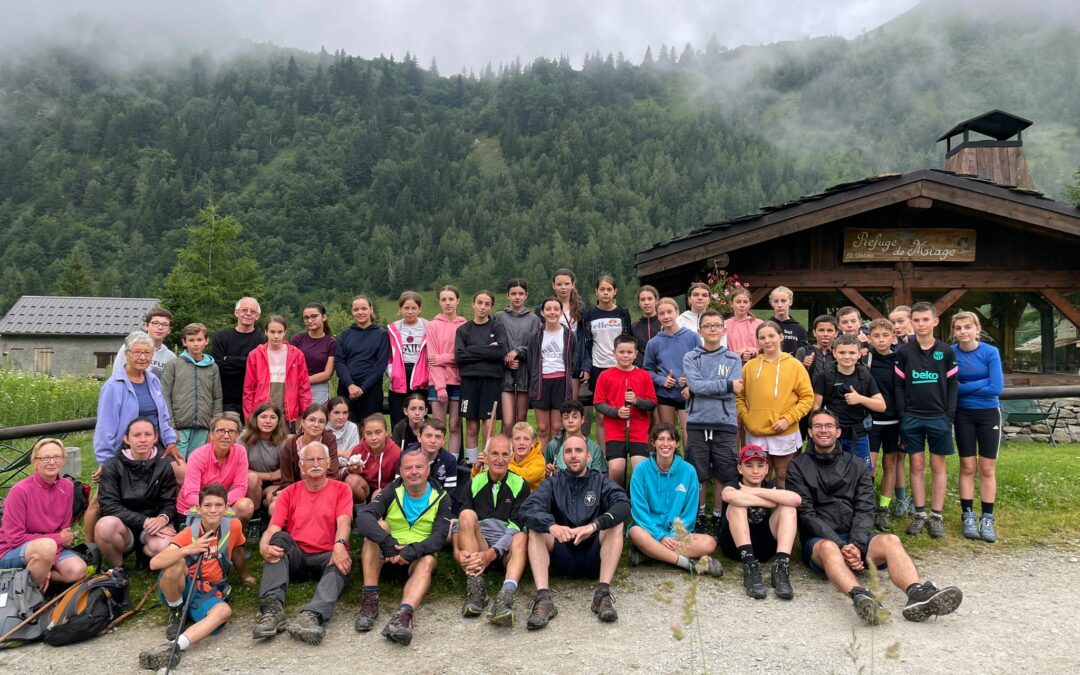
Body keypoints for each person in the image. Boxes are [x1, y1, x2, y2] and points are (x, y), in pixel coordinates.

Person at [787, 409, 963, 625]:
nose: (824, 430)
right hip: (821, 542)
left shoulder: (857, 465)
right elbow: (806, 515)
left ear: (839, 432)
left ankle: (917, 593)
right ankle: (861, 597)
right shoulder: (797, 467)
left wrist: (856, 544)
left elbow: (865, 507)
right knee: (828, 548)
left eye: (829, 426)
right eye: (818, 426)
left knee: (891, 540)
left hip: (857, 538)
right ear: (810, 432)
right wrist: (842, 545)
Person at [520, 435, 630, 630]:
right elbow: (527, 509)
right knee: (536, 530)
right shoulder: (553, 483)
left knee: (616, 524)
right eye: (568, 451)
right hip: (562, 554)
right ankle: (543, 599)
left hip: (593, 556)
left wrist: (594, 526)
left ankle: (602, 595)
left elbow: (623, 505)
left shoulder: (600, 481)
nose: (573, 456)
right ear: (562, 457)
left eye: (578, 451)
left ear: (588, 456)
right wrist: (551, 526)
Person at [252, 441, 353, 645]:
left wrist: (340, 544)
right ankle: (272, 609)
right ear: (301, 466)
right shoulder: (289, 492)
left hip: (326, 555)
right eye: (310, 460)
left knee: (344, 561)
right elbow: (273, 527)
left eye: (320, 459)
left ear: (328, 464)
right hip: (296, 555)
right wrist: (263, 545)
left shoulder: (342, 489)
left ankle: (312, 615)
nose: (315, 464)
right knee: (277, 539)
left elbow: (344, 521)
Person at [90, 331, 183, 544]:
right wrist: (105, 462)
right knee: (99, 500)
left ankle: (173, 526)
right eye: (137, 352)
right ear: (127, 354)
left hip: (155, 446)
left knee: (182, 474)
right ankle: (93, 546)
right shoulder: (114, 387)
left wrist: (169, 442)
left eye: (147, 353)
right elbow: (105, 427)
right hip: (124, 449)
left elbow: (163, 416)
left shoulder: (153, 381)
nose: (142, 357)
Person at [354, 447, 452, 645]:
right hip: (386, 553)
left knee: (428, 560)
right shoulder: (392, 490)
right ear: (401, 471)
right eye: (408, 468)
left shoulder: (441, 497)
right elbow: (364, 517)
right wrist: (386, 542)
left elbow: (439, 537)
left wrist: (413, 550)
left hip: (416, 557)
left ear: (427, 470)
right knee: (378, 527)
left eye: (419, 467)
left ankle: (403, 616)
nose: (413, 472)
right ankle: (369, 599)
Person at [138, 484, 241, 671]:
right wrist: (189, 550)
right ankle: (176, 611)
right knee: (174, 564)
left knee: (224, 612)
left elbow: (238, 552)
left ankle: (176, 646)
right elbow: (155, 563)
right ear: (199, 508)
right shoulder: (189, 533)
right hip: (181, 586)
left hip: (207, 591)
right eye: (208, 505)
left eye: (219, 505)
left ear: (227, 508)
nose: (213, 510)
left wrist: (246, 575)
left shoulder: (233, 526)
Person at [894, 302, 958, 539]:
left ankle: (936, 516)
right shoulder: (903, 352)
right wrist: (903, 414)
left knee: (938, 465)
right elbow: (898, 386)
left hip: (939, 417)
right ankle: (920, 514)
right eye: (916, 320)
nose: (920, 324)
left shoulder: (946, 351)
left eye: (924, 320)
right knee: (916, 465)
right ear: (912, 322)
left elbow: (953, 386)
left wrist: (949, 415)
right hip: (911, 417)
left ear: (935, 321)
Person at [627, 424, 722, 576]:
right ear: (653, 442)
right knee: (634, 532)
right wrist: (659, 536)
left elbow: (690, 514)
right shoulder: (641, 470)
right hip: (649, 532)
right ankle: (688, 564)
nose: (666, 444)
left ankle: (649, 553)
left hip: (677, 535)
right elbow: (639, 511)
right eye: (661, 439)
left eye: (670, 439)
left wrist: (671, 537)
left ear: (677, 443)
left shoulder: (689, 471)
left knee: (709, 543)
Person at [455, 435, 531, 625]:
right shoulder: (474, 482)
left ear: (511, 457)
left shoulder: (520, 484)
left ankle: (505, 597)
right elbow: (459, 524)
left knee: (521, 535)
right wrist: (457, 552)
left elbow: (515, 527)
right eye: (495, 454)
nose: (500, 459)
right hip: (480, 545)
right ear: (486, 457)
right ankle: (476, 588)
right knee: (466, 515)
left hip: (506, 548)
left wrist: (493, 552)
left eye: (505, 454)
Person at [177, 414, 255, 587]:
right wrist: (211, 506)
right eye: (220, 431)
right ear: (211, 435)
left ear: (237, 436)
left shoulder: (240, 452)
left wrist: (221, 506)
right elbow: (190, 493)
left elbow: (241, 487)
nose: (226, 435)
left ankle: (230, 544)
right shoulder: (198, 455)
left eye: (231, 431)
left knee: (246, 505)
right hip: (194, 506)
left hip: (221, 503)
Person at [683, 310, 743, 532]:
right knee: (698, 474)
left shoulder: (733, 358)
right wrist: (726, 385)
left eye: (717, 325)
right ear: (700, 331)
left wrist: (706, 387)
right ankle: (699, 515)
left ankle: (718, 516)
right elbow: (697, 386)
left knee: (724, 472)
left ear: (724, 330)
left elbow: (735, 390)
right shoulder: (691, 357)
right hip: (698, 421)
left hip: (725, 422)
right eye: (707, 326)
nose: (713, 329)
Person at [0, 438, 88, 590]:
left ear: (63, 460)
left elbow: (63, 530)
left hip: (51, 547)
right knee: (46, 547)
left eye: (56, 457)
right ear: (34, 462)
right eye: (45, 458)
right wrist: (55, 541)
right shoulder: (19, 491)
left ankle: (31, 575)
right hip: (10, 550)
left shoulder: (67, 486)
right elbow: (15, 539)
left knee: (78, 570)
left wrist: (48, 561)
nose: (51, 462)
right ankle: (32, 599)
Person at [737, 321, 814, 487]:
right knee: (757, 475)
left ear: (781, 337)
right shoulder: (749, 367)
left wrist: (788, 419)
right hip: (755, 431)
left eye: (771, 336)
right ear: (758, 341)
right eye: (762, 337)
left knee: (782, 473)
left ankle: (782, 510)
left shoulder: (794, 365)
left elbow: (807, 398)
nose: (767, 340)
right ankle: (758, 511)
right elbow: (740, 397)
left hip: (783, 430)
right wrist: (747, 417)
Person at [718, 445, 799, 600]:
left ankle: (781, 568)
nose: (755, 471)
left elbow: (795, 499)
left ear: (767, 469)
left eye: (760, 466)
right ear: (740, 469)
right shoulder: (734, 483)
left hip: (764, 547)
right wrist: (769, 502)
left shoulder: (770, 486)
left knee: (789, 509)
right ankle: (750, 568)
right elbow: (729, 496)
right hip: (734, 547)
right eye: (749, 466)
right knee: (737, 505)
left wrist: (753, 491)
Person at [95, 418, 178, 569]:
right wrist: (144, 521)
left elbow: (170, 502)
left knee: (164, 545)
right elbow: (108, 505)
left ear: (155, 438)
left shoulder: (165, 464)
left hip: (154, 525)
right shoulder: (112, 466)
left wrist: (162, 518)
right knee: (104, 526)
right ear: (126, 439)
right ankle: (118, 568)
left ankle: (146, 556)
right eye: (136, 435)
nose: (143, 440)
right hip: (122, 525)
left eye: (148, 434)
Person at [951, 311, 1004, 542]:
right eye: (958, 328)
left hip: (989, 413)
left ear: (977, 328)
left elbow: (996, 387)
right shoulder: (950, 353)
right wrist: (981, 382)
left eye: (967, 327)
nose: (963, 331)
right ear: (954, 331)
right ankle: (968, 515)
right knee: (967, 466)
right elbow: (950, 387)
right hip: (963, 414)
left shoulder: (990, 352)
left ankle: (988, 517)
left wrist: (967, 385)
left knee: (987, 468)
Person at [811, 334, 886, 472]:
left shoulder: (864, 374)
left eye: (852, 353)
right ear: (834, 353)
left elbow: (881, 406)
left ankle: (860, 493)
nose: (847, 356)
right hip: (832, 433)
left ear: (859, 354)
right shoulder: (825, 375)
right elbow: (816, 407)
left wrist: (860, 399)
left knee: (863, 470)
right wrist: (820, 428)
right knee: (829, 469)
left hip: (858, 432)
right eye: (842, 352)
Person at [594, 334, 657, 486]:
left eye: (629, 352)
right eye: (621, 352)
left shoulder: (644, 376)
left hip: (639, 431)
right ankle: (617, 496)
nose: (625, 356)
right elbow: (598, 403)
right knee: (616, 468)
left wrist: (637, 401)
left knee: (639, 467)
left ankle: (634, 497)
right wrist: (616, 412)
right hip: (615, 430)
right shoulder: (605, 375)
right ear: (614, 352)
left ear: (636, 354)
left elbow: (652, 403)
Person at [580, 275, 633, 449]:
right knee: (602, 415)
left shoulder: (622, 313)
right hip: (598, 369)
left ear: (615, 291)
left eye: (609, 289)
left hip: (621, 368)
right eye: (602, 289)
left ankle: (622, 450)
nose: (605, 292)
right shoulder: (589, 315)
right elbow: (587, 343)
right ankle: (604, 455)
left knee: (623, 411)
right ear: (596, 292)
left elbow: (629, 339)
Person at [456, 290, 507, 466]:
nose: (482, 307)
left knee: (489, 426)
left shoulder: (497, 327)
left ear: (491, 306)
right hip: (469, 381)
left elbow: (500, 352)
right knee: (471, 426)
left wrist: (472, 349)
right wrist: (487, 349)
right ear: (473, 304)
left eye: (487, 304)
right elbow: (460, 356)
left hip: (492, 380)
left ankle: (487, 465)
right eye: (479, 303)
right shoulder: (463, 329)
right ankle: (471, 466)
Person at [162, 322, 222, 458]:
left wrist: (214, 428)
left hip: (203, 427)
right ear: (184, 342)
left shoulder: (212, 368)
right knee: (179, 467)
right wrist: (171, 426)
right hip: (179, 427)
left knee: (198, 465)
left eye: (199, 340)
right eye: (191, 340)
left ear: (206, 341)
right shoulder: (174, 365)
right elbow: (165, 396)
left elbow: (217, 398)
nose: (195, 344)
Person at [644, 297, 700, 442]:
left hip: (687, 393)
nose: (666, 316)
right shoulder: (654, 343)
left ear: (677, 312)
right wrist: (662, 380)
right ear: (657, 316)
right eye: (662, 313)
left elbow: (702, 363)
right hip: (665, 395)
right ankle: (669, 463)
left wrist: (690, 378)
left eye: (669, 312)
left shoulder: (692, 337)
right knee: (666, 435)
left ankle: (689, 463)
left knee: (689, 433)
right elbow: (647, 369)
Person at [864, 318, 902, 530]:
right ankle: (867, 507)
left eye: (885, 335)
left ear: (893, 338)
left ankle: (883, 509)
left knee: (890, 465)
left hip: (895, 420)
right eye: (876, 336)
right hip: (871, 420)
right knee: (868, 466)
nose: (880, 340)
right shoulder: (865, 359)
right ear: (869, 338)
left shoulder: (900, 359)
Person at [243, 315, 313, 428]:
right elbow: (249, 390)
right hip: (262, 413)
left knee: (285, 444)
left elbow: (304, 388)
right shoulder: (255, 355)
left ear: (285, 332)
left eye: (280, 332)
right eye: (272, 332)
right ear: (266, 332)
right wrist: (249, 418)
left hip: (288, 414)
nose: (276, 336)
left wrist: (306, 415)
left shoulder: (297, 355)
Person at [527, 296, 578, 447]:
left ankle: (555, 466)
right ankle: (542, 466)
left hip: (561, 382)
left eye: (556, 309)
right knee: (542, 428)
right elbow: (531, 361)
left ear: (561, 312)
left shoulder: (569, 335)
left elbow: (573, 359)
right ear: (542, 312)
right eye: (548, 309)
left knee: (557, 428)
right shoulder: (535, 336)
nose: (552, 312)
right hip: (541, 383)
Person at [426, 285, 467, 458]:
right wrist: (441, 387)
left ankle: (454, 463)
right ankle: (438, 461)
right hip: (437, 383)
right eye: (444, 299)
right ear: (439, 302)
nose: (448, 303)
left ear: (458, 300)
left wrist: (443, 358)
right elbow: (432, 359)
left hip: (458, 381)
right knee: (438, 427)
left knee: (455, 425)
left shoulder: (465, 325)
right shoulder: (433, 325)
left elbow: (464, 356)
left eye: (451, 299)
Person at [335, 294, 390, 423]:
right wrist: (350, 385)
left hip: (371, 391)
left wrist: (363, 388)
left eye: (364, 309)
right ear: (352, 312)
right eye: (356, 309)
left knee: (370, 429)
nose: (360, 312)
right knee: (346, 428)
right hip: (347, 389)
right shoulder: (346, 334)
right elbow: (339, 361)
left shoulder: (381, 334)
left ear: (371, 309)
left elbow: (380, 364)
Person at [536, 268, 587, 402]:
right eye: (559, 284)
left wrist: (585, 365)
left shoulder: (581, 308)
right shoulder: (544, 308)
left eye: (566, 284)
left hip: (573, 360)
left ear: (573, 284)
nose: (563, 287)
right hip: (552, 360)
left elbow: (586, 339)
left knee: (570, 404)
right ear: (553, 286)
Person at [211, 297, 267, 415]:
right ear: (236, 313)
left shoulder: (263, 340)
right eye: (244, 310)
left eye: (252, 311)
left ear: (257, 316)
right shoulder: (221, 337)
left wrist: (229, 359)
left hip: (254, 400)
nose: (248, 314)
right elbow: (218, 366)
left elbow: (261, 370)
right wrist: (248, 364)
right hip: (225, 400)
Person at [499, 279, 541, 430]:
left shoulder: (534, 319)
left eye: (521, 294)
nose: (517, 297)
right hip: (505, 375)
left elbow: (536, 345)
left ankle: (521, 452)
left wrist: (518, 351)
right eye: (513, 293)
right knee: (508, 421)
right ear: (508, 295)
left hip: (525, 373)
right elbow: (496, 343)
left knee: (521, 419)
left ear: (526, 296)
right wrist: (506, 358)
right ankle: (505, 452)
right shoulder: (500, 317)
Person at [887, 305, 915, 520]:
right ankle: (902, 498)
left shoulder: (921, 347)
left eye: (901, 322)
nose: (897, 327)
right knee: (897, 457)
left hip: (918, 410)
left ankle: (917, 499)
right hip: (895, 411)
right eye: (893, 323)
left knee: (916, 458)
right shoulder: (894, 349)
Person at [387, 291, 429, 427]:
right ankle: (399, 447)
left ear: (420, 309)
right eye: (406, 308)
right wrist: (392, 372)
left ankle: (420, 446)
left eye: (414, 308)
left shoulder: (429, 327)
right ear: (400, 309)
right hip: (399, 376)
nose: (410, 312)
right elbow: (388, 356)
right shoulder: (393, 328)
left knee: (420, 418)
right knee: (398, 418)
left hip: (421, 377)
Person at [278, 403, 339, 495]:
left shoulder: (329, 440)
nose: (316, 425)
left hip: (324, 490)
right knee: (273, 504)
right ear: (302, 422)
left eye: (321, 421)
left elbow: (332, 474)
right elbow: (287, 480)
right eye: (311, 420)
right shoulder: (291, 444)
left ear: (326, 425)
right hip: (297, 490)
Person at [340, 414, 402, 503]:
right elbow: (344, 475)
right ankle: (359, 509)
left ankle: (375, 513)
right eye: (369, 433)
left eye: (378, 432)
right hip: (364, 489)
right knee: (351, 480)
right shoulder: (359, 449)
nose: (373, 438)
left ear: (386, 432)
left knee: (378, 493)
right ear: (363, 434)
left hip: (385, 491)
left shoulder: (396, 453)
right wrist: (351, 470)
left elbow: (399, 483)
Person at [241, 402, 288, 513]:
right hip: (248, 482)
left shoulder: (284, 441)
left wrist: (273, 477)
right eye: (263, 417)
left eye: (272, 417)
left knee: (272, 500)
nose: (268, 421)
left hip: (274, 484)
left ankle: (267, 519)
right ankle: (255, 517)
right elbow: (239, 469)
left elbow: (284, 472)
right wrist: (271, 475)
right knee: (252, 478)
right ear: (255, 419)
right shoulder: (244, 438)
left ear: (278, 421)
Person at [542, 399, 606, 474]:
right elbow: (546, 475)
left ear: (582, 419)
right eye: (566, 418)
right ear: (562, 421)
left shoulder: (594, 449)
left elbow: (599, 478)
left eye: (575, 417)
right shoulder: (553, 446)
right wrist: (547, 470)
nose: (570, 421)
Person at [291, 302, 337, 405]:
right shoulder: (297, 340)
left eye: (314, 316)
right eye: (306, 318)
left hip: (319, 390)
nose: (310, 320)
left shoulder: (331, 343)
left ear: (324, 317)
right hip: (296, 388)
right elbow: (290, 366)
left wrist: (302, 381)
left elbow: (328, 374)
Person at [113, 307, 175, 379]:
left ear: (169, 330)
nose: (160, 327)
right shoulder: (130, 347)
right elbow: (117, 375)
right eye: (155, 323)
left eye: (165, 324)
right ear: (146, 326)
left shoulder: (171, 357)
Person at [408, 418, 460, 504]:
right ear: (419, 437)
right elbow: (398, 489)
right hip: (410, 504)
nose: (433, 441)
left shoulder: (449, 461)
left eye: (438, 437)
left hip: (438, 507)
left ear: (443, 441)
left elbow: (450, 494)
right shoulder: (406, 457)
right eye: (428, 436)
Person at [795, 315, 839, 383]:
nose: (825, 334)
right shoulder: (803, 351)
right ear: (814, 332)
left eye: (829, 330)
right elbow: (795, 376)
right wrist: (804, 365)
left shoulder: (840, 353)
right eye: (821, 330)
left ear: (836, 333)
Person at [725, 288, 762, 364]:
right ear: (731, 304)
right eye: (738, 302)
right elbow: (721, 349)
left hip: (756, 366)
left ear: (750, 304)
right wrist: (739, 354)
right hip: (732, 367)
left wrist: (749, 350)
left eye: (745, 302)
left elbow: (765, 347)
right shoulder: (725, 325)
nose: (742, 305)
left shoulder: (759, 324)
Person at [767, 286, 807, 355]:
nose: (779, 305)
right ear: (771, 303)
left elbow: (804, 354)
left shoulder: (799, 329)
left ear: (790, 302)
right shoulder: (766, 327)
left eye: (783, 301)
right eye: (776, 301)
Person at [508, 422, 546, 492]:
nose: (521, 442)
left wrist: (504, 467)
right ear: (511, 442)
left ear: (533, 443)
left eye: (526, 439)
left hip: (533, 500)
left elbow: (526, 477)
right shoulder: (508, 459)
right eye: (517, 439)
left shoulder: (539, 461)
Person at [631, 285, 661, 368]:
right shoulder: (634, 327)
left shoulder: (664, 324)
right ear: (639, 303)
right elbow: (632, 349)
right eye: (643, 300)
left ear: (656, 301)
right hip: (641, 372)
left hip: (663, 373)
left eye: (650, 299)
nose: (646, 303)